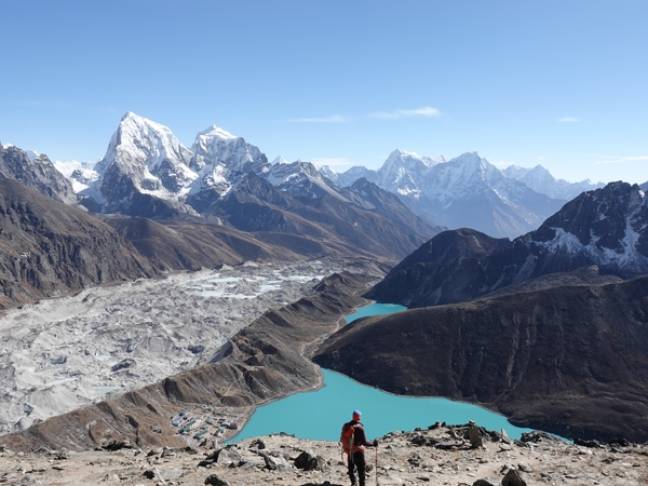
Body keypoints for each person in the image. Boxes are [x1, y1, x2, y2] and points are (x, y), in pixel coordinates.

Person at [340, 410, 378, 486]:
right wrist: (373, 444)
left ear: (352, 416)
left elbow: (342, 439)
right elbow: (364, 442)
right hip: (358, 451)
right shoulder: (359, 427)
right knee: (361, 470)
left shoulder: (346, 425)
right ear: (359, 417)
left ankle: (353, 483)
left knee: (351, 469)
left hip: (349, 451)